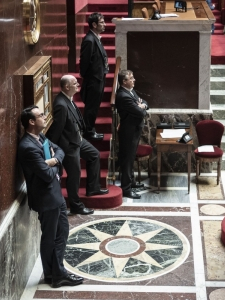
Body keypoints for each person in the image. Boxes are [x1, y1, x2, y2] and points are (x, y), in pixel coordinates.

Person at [17, 106, 84, 288]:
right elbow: (46, 175)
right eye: (40, 116)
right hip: (47, 199)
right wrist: (54, 163)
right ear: (31, 122)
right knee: (52, 236)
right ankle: (57, 274)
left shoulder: (41, 138)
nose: (45, 117)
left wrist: (53, 160)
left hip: (54, 195)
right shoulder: (28, 147)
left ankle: (53, 273)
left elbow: (59, 150)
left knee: (60, 233)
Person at [46, 75, 108, 215]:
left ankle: (93, 188)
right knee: (74, 176)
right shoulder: (61, 105)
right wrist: (53, 148)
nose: (78, 84)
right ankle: (76, 206)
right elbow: (57, 129)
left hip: (78, 139)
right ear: (67, 87)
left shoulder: (68, 99)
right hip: (69, 146)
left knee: (94, 154)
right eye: (75, 83)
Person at [115, 70, 149, 199]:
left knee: (131, 157)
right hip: (128, 132)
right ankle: (126, 189)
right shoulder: (123, 96)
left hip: (134, 130)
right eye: (131, 78)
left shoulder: (130, 92)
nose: (134, 80)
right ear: (124, 81)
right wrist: (141, 107)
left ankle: (132, 182)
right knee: (127, 160)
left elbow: (145, 102)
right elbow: (140, 113)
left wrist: (142, 105)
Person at [79, 13, 108, 141]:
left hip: (98, 78)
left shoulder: (95, 37)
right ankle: (88, 132)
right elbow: (84, 63)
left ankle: (91, 129)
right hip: (93, 80)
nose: (105, 24)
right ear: (94, 24)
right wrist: (90, 78)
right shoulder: (89, 40)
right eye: (102, 22)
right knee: (91, 108)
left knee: (94, 107)